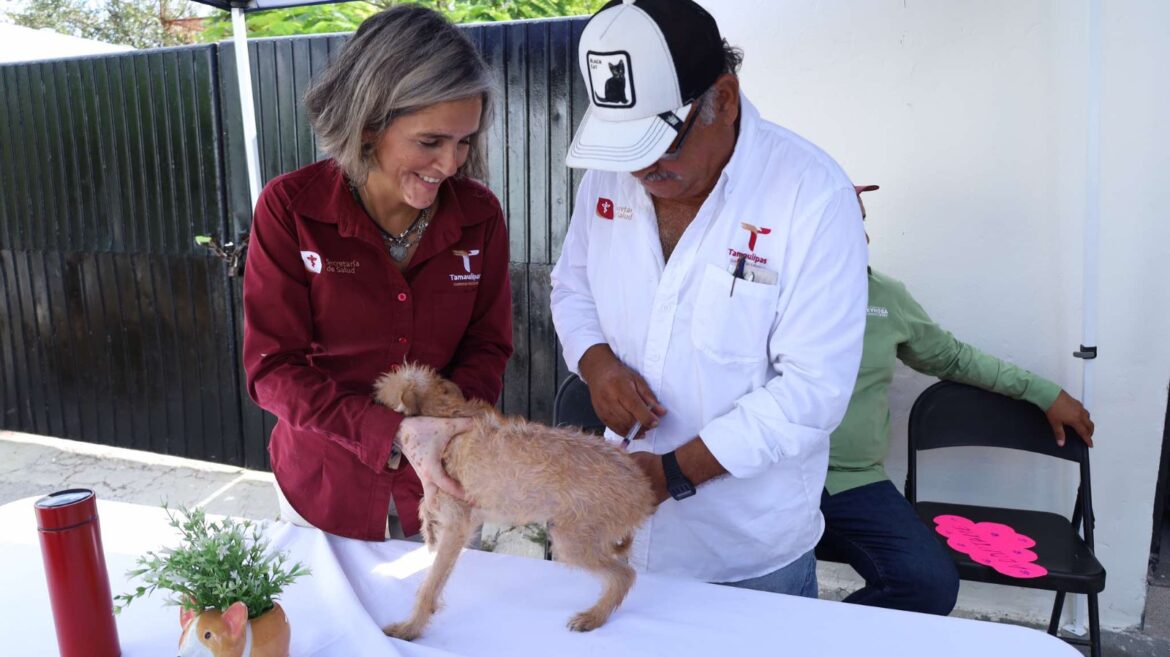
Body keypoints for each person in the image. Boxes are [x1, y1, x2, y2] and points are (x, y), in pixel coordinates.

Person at [549, 0, 868, 596]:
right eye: (625, 146)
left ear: (723, 98)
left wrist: (671, 475)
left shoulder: (812, 196)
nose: (641, 167)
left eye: (661, 144)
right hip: (616, 534)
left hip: (746, 554)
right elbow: (571, 285)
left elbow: (812, 390)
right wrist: (596, 365)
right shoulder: (610, 177)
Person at [242, 5, 512, 541]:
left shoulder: (479, 216)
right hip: (323, 487)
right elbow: (273, 370)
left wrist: (443, 425)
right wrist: (389, 432)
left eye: (464, 141)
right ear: (367, 127)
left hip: (445, 483)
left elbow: (488, 345)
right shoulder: (292, 209)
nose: (452, 164)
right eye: (430, 142)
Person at [817, 184, 1096, 614]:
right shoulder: (765, 289)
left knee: (928, 584)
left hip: (852, 482)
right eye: (833, 220)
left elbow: (951, 357)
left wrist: (1043, 393)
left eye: (858, 220)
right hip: (766, 476)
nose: (856, 234)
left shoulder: (886, 297)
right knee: (768, 585)